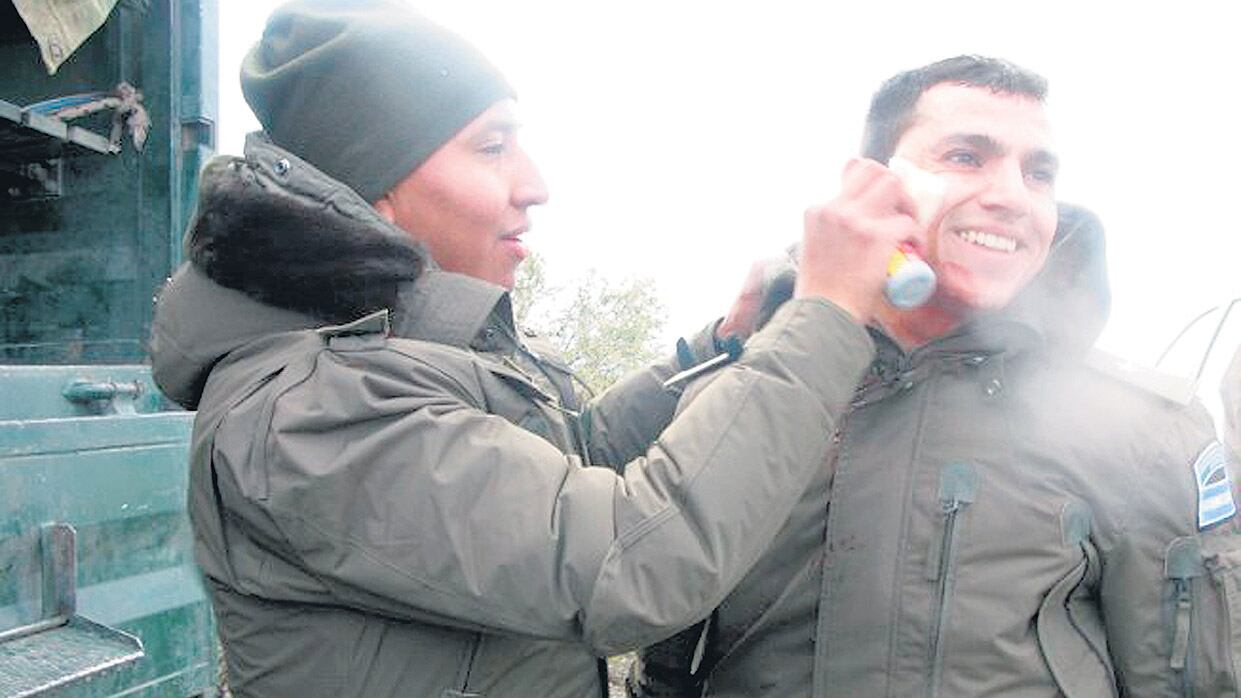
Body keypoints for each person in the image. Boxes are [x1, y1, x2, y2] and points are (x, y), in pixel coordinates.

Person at [147, 1, 909, 696]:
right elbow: (631, 562)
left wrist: (717, 344)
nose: (535, 184)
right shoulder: (307, 414)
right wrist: (828, 314)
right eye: (492, 148)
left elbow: (572, 457)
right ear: (376, 186)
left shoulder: (394, 353)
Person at [629, 55, 1241, 697]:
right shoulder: (744, 400)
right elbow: (666, 661)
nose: (1011, 197)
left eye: (1039, 173)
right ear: (877, 185)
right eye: (966, 157)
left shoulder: (1144, 430)